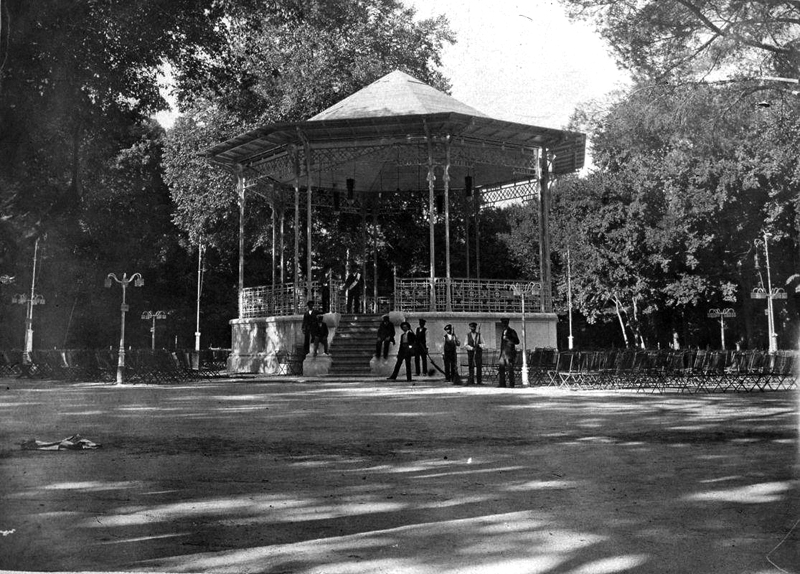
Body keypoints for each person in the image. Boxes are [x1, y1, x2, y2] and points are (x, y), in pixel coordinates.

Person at [498, 317, 520, 388]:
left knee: (510, 369)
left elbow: (517, 341)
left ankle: (511, 384)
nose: (504, 325)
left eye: (505, 323)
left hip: (509, 353)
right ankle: (502, 383)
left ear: (507, 323)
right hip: (503, 354)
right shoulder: (503, 332)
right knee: (501, 368)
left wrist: (508, 339)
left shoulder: (512, 331)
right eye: (503, 324)